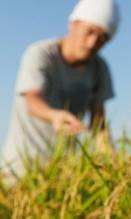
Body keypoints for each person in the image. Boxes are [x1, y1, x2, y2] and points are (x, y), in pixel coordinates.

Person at [0, 0, 120, 187]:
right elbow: (32, 99)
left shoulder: (99, 69)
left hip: (64, 174)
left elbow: (99, 124)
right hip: (21, 170)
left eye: (102, 38)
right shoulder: (40, 54)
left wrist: (115, 163)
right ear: (73, 24)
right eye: (89, 31)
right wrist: (54, 116)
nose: (92, 43)